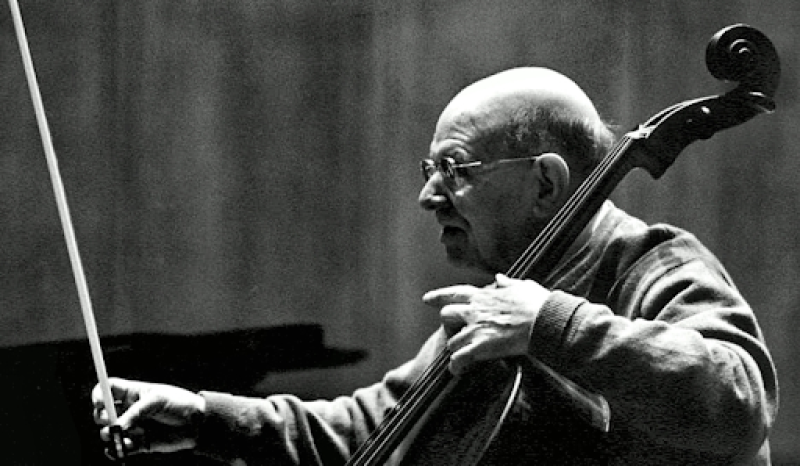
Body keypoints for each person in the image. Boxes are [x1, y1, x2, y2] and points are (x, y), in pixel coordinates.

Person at [93, 67, 778, 465]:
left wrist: (550, 323)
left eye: (454, 170)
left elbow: (741, 403)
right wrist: (204, 415)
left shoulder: (652, 262)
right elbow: (375, 427)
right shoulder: (510, 299)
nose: (428, 196)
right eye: (430, 171)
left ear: (545, 181)